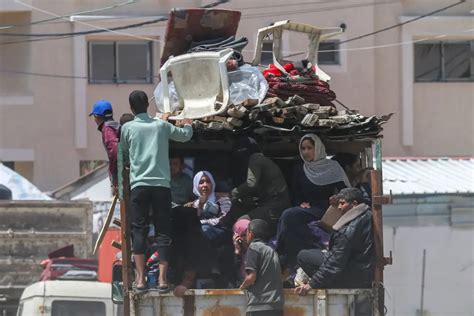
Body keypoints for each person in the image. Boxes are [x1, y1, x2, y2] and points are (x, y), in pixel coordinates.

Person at [120, 90, 193, 292]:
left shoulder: (128, 128)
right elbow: (185, 136)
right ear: (147, 105)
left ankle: (141, 280)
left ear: (132, 108)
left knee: (139, 231)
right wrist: (187, 122)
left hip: (139, 187)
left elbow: (123, 153)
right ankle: (162, 280)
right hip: (161, 186)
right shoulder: (161, 126)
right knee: (163, 232)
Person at [276, 133, 350, 267]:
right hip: (307, 209)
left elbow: (346, 191)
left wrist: (337, 198)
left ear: (318, 148)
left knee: (288, 215)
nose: (306, 152)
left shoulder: (333, 167)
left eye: (309, 148)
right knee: (289, 215)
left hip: (326, 209)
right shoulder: (300, 168)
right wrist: (300, 203)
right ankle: (286, 257)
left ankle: (280, 255)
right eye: (303, 149)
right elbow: (295, 192)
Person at [294, 188, 375, 294]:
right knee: (315, 253)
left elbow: (335, 263)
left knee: (303, 256)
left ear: (354, 204)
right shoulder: (366, 214)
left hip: (353, 277)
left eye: (342, 203)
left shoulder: (348, 230)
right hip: (362, 272)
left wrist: (312, 284)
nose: (339, 207)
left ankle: (330, 283)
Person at [222, 137, 291, 233]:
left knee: (242, 221)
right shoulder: (262, 159)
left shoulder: (255, 158)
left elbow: (251, 184)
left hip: (275, 206)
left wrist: (232, 194)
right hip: (274, 204)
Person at [240, 219, 284, 316]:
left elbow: (251, 277)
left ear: (250, 233)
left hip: (259, 306)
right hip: (276, 306)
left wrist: (242, 286)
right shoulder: (271, 251)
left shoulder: (253, 247)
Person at [185, 171, 232, 245]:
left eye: (208, 182)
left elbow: (223, 219)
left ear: (212, 184)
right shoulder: (194, 204)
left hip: (220, 231)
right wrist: (200, 206)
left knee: (204, 229)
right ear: (196, 185)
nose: (205, 185)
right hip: (201, 235)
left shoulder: (223, 200)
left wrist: (201, 223)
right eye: (201, 182)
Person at [89, 100, 120, 195]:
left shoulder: (107, 129)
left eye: (94, 117)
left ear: (98, 117)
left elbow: (114, 151)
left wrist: (115, 177)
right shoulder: (117, 126)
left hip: (121, 176)